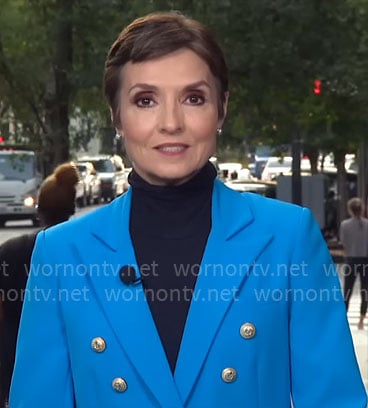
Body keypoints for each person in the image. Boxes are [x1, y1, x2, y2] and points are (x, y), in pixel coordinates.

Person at [10, 12, 367, 408]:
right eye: (145, 100)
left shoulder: (287, 238)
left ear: (222, 108)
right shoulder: (61, 254)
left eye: (193, 98)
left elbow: (335, 399)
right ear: (116, 116)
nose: (171, 123)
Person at [0, 162, 79, 408]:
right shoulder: (83, 253)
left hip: (13, 361)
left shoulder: (11, 251)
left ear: (39, 208)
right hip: (74, 363)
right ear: (72, 208)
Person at [340, 197, 368, 330]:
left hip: (351, 259)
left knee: (348, 289)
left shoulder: (345, 225)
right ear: (362, 209)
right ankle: (362, 319)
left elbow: (344, 242)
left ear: (350, 210)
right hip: (365, 260)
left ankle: (343, 317)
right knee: (365, 290)